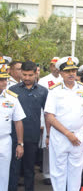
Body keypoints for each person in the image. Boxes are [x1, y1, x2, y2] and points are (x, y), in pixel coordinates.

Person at [44, 56, 83, 191]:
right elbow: (50, 116)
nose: (71, 74)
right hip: (60, 136)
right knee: (58, 171)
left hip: (78, 134)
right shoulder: (54, 90)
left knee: (76, 170)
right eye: (67, 71)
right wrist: (67, 134)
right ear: (61, 73)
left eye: (73, 70)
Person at [8, 61, 48, 191]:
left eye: (30, 75)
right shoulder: (12, 91)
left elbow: (48, 114)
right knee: (13, 169)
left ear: (36, 73)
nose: (26, 78)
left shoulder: (43, 91)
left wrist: (47, 134)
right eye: (24, 74)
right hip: (13, 136)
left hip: (32, 136)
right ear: (20, 73)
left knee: (29, 170)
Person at [0, 63, 25, 191]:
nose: (3, 82)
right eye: (0, 79)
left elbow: (18, 121)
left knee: (4, 175)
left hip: (4, 140)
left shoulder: (12, 98)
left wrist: (20, 143)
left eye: (4, 79)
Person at [38, 57, 62, 185]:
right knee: (47, 147)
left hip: (61, 119)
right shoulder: (43, 81)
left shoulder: (65, 80)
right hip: (48, 117)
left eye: (58, 66)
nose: (56, 68)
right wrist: (42, 122)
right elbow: (42, 104)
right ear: (51, 66)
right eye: (54, 66)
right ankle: (47, 173)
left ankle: (59, 173)